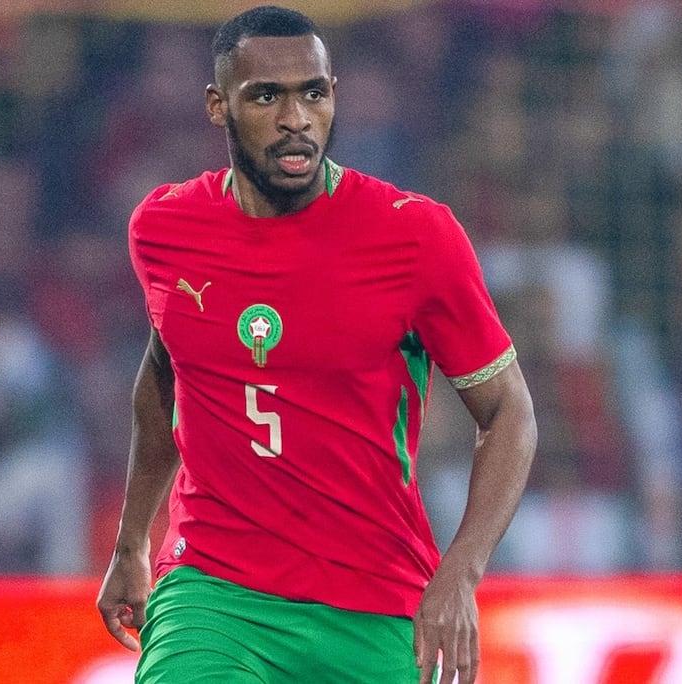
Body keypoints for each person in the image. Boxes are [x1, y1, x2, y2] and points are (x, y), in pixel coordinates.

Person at [96, 6, 537, 683]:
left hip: (376, 602)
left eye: (313, 93)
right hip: (215, 592)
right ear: (218, 105)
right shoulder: (164, 228)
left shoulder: (415, 236)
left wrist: (461, 572)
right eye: (266, 97)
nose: (295, 118)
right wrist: (131, 543)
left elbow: (509, 412)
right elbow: (164, 373)